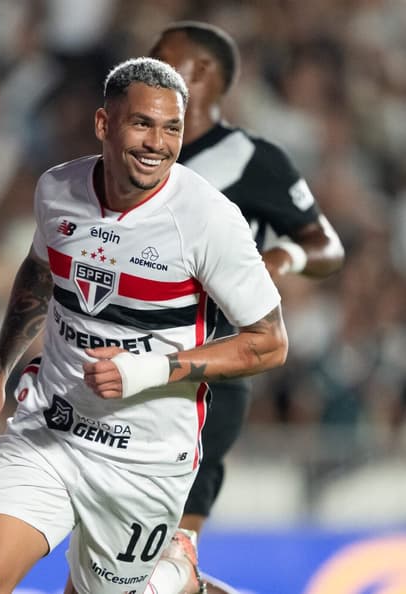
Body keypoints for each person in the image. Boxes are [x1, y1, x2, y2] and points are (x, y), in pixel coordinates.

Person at [0, 57, 289, 594]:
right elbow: (39, 273)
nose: (158, 142)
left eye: (171, 127)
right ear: (104, 124)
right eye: (142, 124)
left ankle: (179, 580)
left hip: (144, 459)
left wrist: (151, 369)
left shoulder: (208, 219)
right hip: (50, 428)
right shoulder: (57, 190)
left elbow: (269, 344)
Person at [146, 21, 345, 594]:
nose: (149, 63)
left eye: (163, 56)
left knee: (163, 564)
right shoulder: (138, 154)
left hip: (212, 371)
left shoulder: (250, 158)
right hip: (137, 367)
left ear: (202, 73)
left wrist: (279, 261)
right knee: (129, 565)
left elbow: (324, 243)